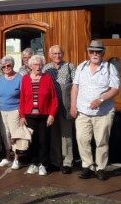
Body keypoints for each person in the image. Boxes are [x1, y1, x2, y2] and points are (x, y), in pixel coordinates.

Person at [71, 40, 120, 181]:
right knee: (82, 139)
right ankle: (87, 166)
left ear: (103, 53)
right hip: (83, 111)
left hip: (103, 112)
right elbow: (75, 87)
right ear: (88, 52)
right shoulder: (81, 67)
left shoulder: (110, 68)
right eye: (92, 51)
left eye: (98, 51)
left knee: (101, 141)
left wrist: (101, 100)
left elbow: (115, 89)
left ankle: (101, 168)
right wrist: (73, 106)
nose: (95, 54)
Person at [19, 55, 58, 176]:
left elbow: (54, 99)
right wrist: (22, 116)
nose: (38, 66)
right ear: (30, 66)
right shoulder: (25, 78)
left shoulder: (48, 78)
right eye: (35, 64)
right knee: (32, 141)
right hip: (29, 115)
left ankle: (43, 164)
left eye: (40, 64)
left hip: (44, 115)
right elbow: (22, 99)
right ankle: (33, 163)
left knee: (44, 141)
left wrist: (52, 114)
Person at [44, 45, 76, 174]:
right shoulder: (46, 68)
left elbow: (77, 86)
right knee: (54, 135)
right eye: (55, 54)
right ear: (50, 55)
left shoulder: (70, 66)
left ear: (63, 54)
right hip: (51, 107)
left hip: (65, 106)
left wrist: (75, 104)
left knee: (66, 134)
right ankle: (55, 161)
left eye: (60, 53)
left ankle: (67, 162)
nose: (57, 56)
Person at [0, 55, 22, 170]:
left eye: (9, 65)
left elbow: (24, 96)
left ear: (12, 65)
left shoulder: (20, 78)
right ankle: (7, 158)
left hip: (15, 110)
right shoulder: (0, 79)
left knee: (15, 135)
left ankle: (16, 159)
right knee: (5, 134)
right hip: (2, 110)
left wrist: (22, 113)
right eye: (4, 66)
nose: (6, 68)